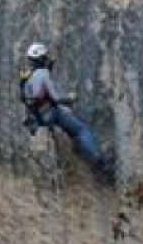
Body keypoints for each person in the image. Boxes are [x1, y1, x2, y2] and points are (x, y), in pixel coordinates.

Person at [20, 43, 112, 181]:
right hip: (49, 114)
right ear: (41, 59)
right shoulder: (43, 74)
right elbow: (56, 98)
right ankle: (98, 159)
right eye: (45, 57)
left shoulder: (26, 75)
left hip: (35, 117)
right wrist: (70, 98)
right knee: (81, 130)